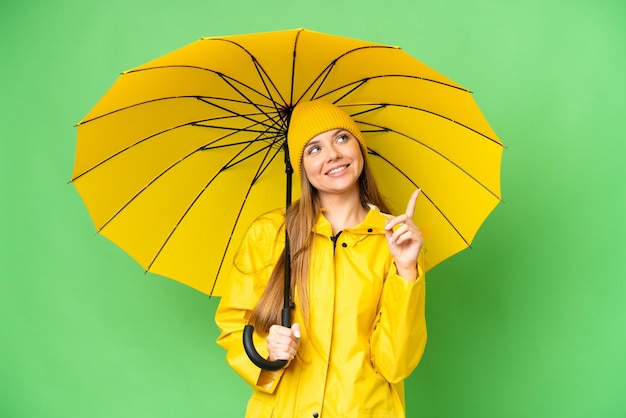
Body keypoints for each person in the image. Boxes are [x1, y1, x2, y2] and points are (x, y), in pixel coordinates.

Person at [215, 100, 427, 418]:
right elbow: (233, 328)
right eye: (314, 148)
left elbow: (396, 364)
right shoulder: (269, 234)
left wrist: (407, 269)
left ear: (360, 149)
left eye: (342, 138)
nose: (332, 154)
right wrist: (267, 351)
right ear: (301, 167)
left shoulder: (393, 242)